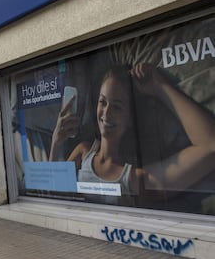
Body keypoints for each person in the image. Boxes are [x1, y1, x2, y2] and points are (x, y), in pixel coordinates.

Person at [49, 63, 215, 198]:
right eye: (103, 102)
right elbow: (53, 191)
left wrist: (160, 87)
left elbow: (210, 146)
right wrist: (56, 142)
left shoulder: (136, 178)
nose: (106, 113)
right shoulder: (84, 151)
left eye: (117, 107)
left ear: (130, 119)